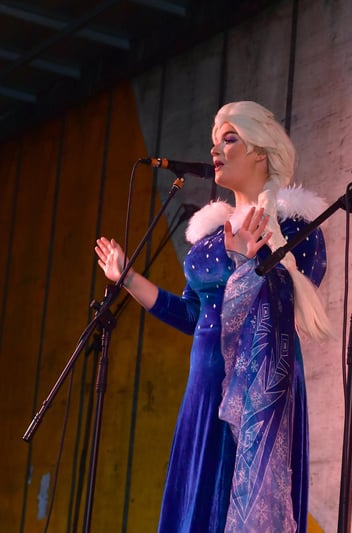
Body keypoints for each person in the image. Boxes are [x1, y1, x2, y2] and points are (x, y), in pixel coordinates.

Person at [95, 101, 330, 532]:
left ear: (260, 151)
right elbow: (193, 314)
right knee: (200, 506)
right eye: (213, 142)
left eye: (229, 138)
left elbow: (293, 302)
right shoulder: (206, 235)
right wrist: (127, 278)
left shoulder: (294, 225)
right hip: (205, 385)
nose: (216, 150)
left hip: (261, 386)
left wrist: (247, 265)